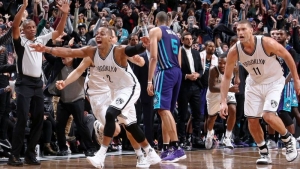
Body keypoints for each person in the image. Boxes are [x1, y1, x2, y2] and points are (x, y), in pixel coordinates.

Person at [30, 27, 161, 168]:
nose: (98, 36)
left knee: (111, 114)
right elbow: (69, 52)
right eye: (97, 34)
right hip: (113, 92)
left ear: (111, 38)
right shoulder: (92, 52)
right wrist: (45, 49)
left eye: (102, 34)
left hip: (129, 88)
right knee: (129, 125)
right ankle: (150, 151)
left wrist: (142, 46)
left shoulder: (118, 50)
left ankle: (101, 155)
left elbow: (133, 50)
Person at [220, 20, 299, 165]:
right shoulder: (234, 51)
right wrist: (223, 101)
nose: (240, 33)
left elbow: (288, 56)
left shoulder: (266, 42)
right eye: (238, 30)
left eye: (243, 29)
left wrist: (297, 79)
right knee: (252, 120)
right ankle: (264, 152)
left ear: (252, 31)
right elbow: (226, 77)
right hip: (254, 83)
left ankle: (288, 139)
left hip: (274, 81)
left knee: (268, 115)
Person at [7, 0, 69, 166]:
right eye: (28, 27)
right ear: (23, 30)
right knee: (21, 119)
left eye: (34, 27)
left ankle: (30, 154)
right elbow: (14, 26)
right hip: (23, 84)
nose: (32, 29)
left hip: (37, 85)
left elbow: (59, 32)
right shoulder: (20, 42)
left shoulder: (41, 40)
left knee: (39, 120)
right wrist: (24, 7)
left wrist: (64, 14)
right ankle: (14, 155)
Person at [147, 11, 186, 162]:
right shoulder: (176, 35)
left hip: (165, 72)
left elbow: (154, 57)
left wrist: (150, 80)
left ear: (156, 20)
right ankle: (165, 148)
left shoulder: (155, 31)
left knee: (162, 110)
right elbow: (179, 59)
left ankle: (176, 147)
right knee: (166, 111)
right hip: (177, 72)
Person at [205, 54, 239, 149]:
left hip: (227, 90)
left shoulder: (233, 66)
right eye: (220, 63)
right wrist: (229, 89)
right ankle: (209, 134)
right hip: (215, 93)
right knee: (212, 118)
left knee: (233, 109)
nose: (222, 65)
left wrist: (237, 77)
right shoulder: (213, 70)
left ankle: (227, 137)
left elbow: (237, 68)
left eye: (225, 63)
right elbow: (212, 88)